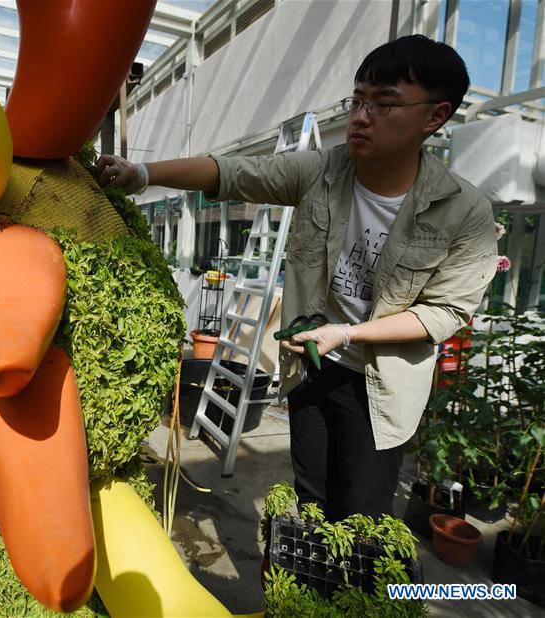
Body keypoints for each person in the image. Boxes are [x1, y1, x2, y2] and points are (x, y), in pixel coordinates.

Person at [96, 35, 497, 521]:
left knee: (362, 515)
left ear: (435, 116)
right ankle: (304, 588)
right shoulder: (321, 172)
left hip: (379, 384)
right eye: (358, 99)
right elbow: (237, 173)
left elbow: (446, 312)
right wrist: (142, 172)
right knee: (310, 499)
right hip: (311, 367)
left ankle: (354, 593)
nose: (361, 116)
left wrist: (345, 333)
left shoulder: (464, 210)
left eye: (385, 104)